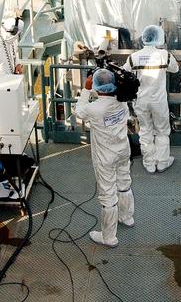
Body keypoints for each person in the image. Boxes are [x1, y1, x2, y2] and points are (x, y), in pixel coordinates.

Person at [75, 68, 134, 248]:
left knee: (108, 195)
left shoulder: (95, 109)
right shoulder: (122, 103)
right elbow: (107, 94)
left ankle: (109, 237)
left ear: (96, 86)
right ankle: (127, 217)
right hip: (123, 150)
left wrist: (86, 89)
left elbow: (79, 112)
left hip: (105, 157)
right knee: (124, 184)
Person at [123, 25, 179, 174]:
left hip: (141, 100)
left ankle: (149, 163)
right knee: (162, 131)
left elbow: (124, 72)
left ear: (144, 38)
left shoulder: (133, 57)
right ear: (158, 38)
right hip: (159, 101)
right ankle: (162, 162)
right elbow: (175, 69)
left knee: (146, 131)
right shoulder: (164, 55)